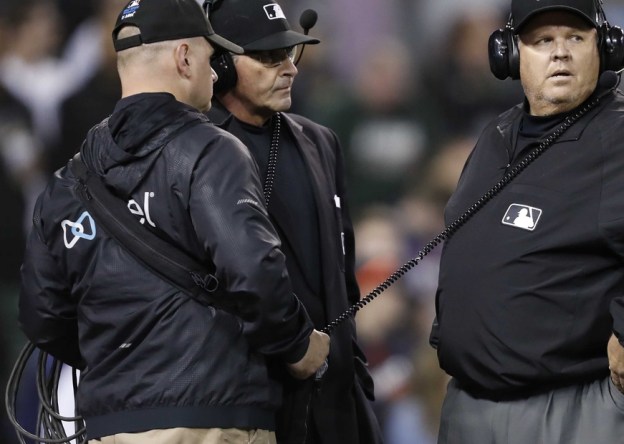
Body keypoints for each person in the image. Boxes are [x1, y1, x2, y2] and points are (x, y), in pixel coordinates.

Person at [16, 0, 330, 442]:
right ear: (184, 58)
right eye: (207, 56)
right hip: (214, 418)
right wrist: (298, 345)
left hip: (111, 427)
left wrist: (123, 362)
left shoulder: (67, 182)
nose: (215, 72)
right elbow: (255, 272)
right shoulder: (211, 150)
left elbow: (41, 316)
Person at [429, 1, 624, 443]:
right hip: (474, 406)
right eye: (542, 41)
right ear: (510, 55)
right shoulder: (496, 137)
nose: (561, 52)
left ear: (605, 49)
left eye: (576, 38)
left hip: (575, 407)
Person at [205, 1, 382, 443]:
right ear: (221, 65)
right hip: (255, 401)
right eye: (269, 57)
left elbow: (343, 271)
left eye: (290, 54)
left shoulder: (320, 141)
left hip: (336, 400)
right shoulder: (199, 151)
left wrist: (353, 368)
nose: (289, 69)